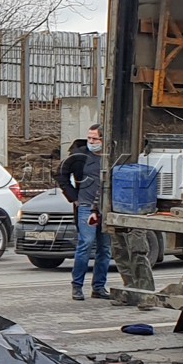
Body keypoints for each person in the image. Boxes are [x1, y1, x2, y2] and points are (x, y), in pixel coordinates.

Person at [57, 125, 112, 300]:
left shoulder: (111, 157)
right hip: (86, 207)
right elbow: (61, 175)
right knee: (86, 243)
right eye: (89, 138)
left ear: (104, 140)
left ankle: (98, 287)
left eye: (95, 139)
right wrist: (73, 197)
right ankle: (77, 286)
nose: (91, 142)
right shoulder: (80, 156)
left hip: (106, 208)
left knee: (105, 249)